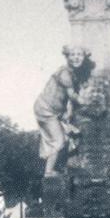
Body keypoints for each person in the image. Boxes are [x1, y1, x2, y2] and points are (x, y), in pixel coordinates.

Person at [34, 45, 87, 177]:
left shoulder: (71, 73)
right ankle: (49, 171)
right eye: (73, 55)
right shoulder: (65, 73)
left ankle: (61, 167)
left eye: (80, 55)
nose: (76, 58)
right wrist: (85, 101)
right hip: (46, 109)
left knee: (69, 136)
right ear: (67, 57)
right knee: (59, 141)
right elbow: (72, 96)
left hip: (53, 110)